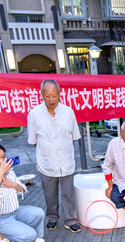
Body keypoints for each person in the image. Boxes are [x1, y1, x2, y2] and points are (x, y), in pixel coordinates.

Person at [27, 79, 82, 233]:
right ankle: (52, 217)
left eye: (54, 96)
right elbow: (34, 141)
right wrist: (48, 150)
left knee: (68, 193)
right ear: (41, 95)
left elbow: (73, 136)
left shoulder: (68, 112)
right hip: (47, 163)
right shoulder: (35, 114)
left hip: (66, 161)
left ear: (59, 94)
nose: (51, 100)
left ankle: (70, 219)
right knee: (49, 193)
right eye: (47, 96)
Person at [0, 143, 45, 242]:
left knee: (39, 213)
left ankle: (23, 233)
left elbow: (23, 190)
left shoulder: (10, 172)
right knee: (30, 235)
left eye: (4, 157)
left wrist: (14, 185)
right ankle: (2, 235)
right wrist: (0, 173)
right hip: (1, 218)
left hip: (16, 211)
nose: (2, 161)